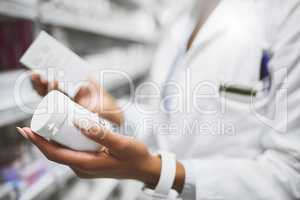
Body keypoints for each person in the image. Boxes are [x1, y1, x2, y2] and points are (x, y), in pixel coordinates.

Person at [17, 0, 300, 199]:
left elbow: (291, 175)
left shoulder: (287, 12)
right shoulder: (181, 16)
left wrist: (159, 172)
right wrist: (113, 111)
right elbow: (169, 122)